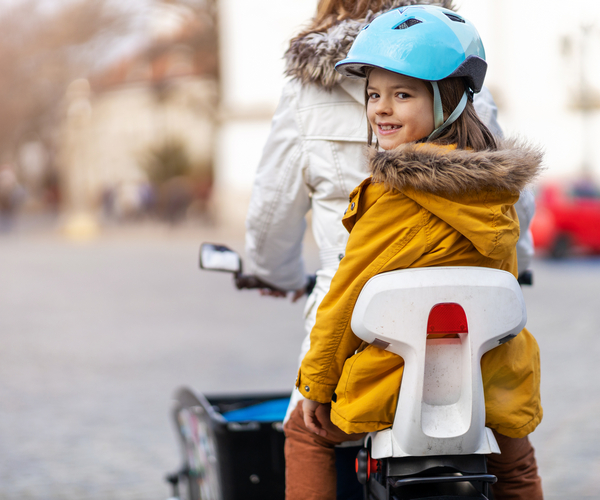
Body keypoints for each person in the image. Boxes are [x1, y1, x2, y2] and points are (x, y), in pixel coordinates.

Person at [284, 5, 544, 500]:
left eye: (402, 95)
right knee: (516, 466)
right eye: (374, 95)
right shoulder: (499, 193)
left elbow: (344, 300)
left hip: (399, 384)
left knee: (303, 431)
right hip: (490, 383)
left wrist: (316, 386)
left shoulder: (391, 195)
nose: (381, 108)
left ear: (446, 100)